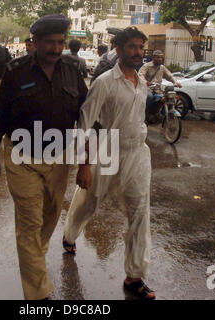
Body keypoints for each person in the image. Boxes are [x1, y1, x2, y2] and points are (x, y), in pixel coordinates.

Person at [0, 14, 88, 300]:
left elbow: (87, 115)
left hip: (59, 157)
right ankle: (38, 294)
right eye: (50, 43)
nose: (56, 49)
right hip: (22, 157)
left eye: (60, 43)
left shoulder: (71, 70)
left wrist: (87, 160)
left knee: (51, 214)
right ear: (36, 42)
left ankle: (34, 259)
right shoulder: (16, 72)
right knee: (30, 222)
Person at [62, 27, 156, 300]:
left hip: (137, 154)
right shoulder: (104, 82)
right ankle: (69, 235)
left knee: (140, 213)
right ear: (118, 48)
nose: (138, 53)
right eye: (132, 47)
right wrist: (83, 165)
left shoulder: (142, 84)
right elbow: (85, 124)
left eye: (141, 48)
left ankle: (134, 277)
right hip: (108, 152)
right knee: (88, 202)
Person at [138, 50, 181, 117]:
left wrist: (176, 82)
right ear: (153, 57)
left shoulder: (162, 67)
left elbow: (169, 76)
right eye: (158, 57)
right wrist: (145, 82)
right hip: (148, 88)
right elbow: (140, 75)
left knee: (168, 97)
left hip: (158, 89)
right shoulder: (147, 66)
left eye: (161, 57)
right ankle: (145, 115)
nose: (160, 59)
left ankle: (163, 114)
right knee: (149, 97)